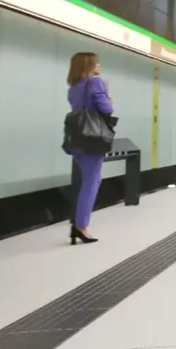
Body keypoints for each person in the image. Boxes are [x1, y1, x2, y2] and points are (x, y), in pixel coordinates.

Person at [65, 52, 115, 245]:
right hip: (92, 137)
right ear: (89, 65)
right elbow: (106, 109)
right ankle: (81, 226)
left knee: (89, 180)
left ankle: (78, 224)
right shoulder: (95, 82)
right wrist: (108, 98)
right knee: (91, 181)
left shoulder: (73, 87)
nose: (99, 65)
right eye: (96, 63)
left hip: (76, 138)